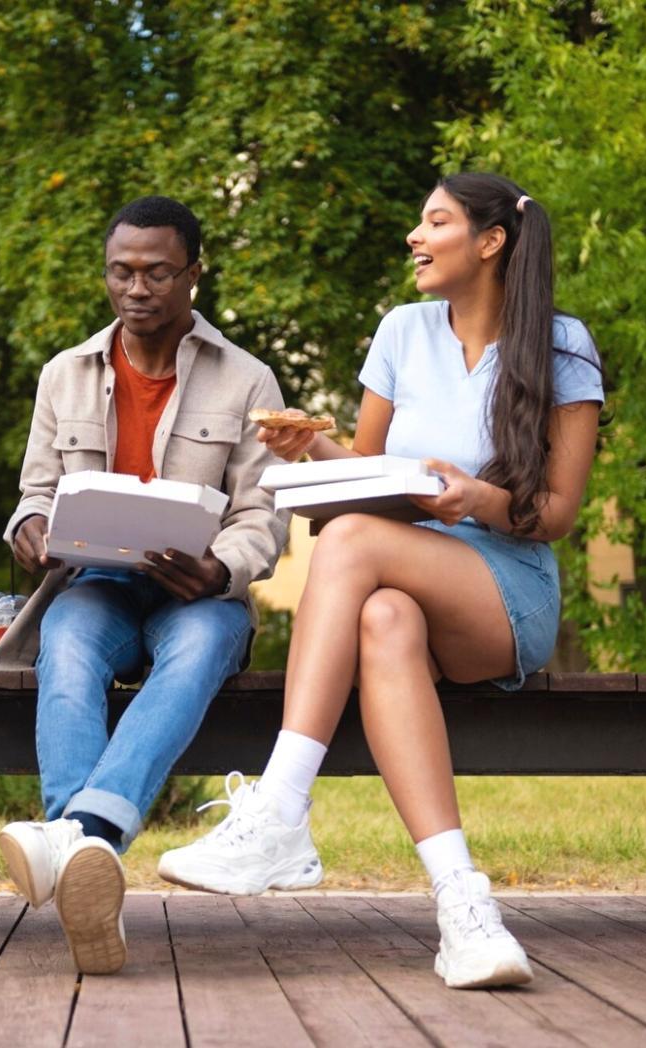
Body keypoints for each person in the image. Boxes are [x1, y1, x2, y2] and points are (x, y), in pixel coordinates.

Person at [158, 173, 604, 990]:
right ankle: (462, 907)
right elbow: (369, 471)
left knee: (356, 542)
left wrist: (480, 499)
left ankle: (282, 804)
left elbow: (560, 511)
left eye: (436, 221)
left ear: (491, 241)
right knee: (386, 618)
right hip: (407, 576)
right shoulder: (402, 330)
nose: (415, 236)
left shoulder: (562, 345)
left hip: (506, 588)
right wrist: (311, 450)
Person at [0, 196, 289, 974]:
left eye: (158, 272)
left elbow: (266, 514)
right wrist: (28, 528)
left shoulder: (249, 379)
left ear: (193, 274)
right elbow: (36, 490)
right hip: (95, 582)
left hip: (200, 594)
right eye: (122, 272)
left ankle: (76, 840)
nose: (138, 288)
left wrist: (221, 568)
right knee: (66, 645)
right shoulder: (65, 374)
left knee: (196, 654)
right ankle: (92, 852)